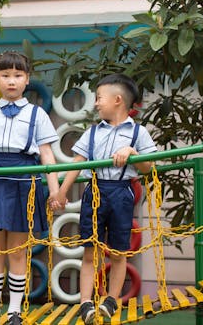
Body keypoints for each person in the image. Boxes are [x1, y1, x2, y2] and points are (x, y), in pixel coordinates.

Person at [57, 73, 157, 323]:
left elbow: (148, 167)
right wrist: (61, 191)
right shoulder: (92, 133)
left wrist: (132, 152)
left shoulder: (139, 133)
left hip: (122, 191)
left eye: (100, 98)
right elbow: (77, 163)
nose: (96, 103)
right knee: (90, 250)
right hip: (95, 191)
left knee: (118, 251)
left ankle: (111, 300)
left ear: (118, 100)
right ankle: (86, 303)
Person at [0, 51, 61, 325]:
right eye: (6, 75)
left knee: (18, 250)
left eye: (18, 75)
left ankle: (14, 311)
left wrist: (55, 190)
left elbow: (46, 154)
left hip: (24, 179)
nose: (12, 81)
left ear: (27, 80)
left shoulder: (38, 114)